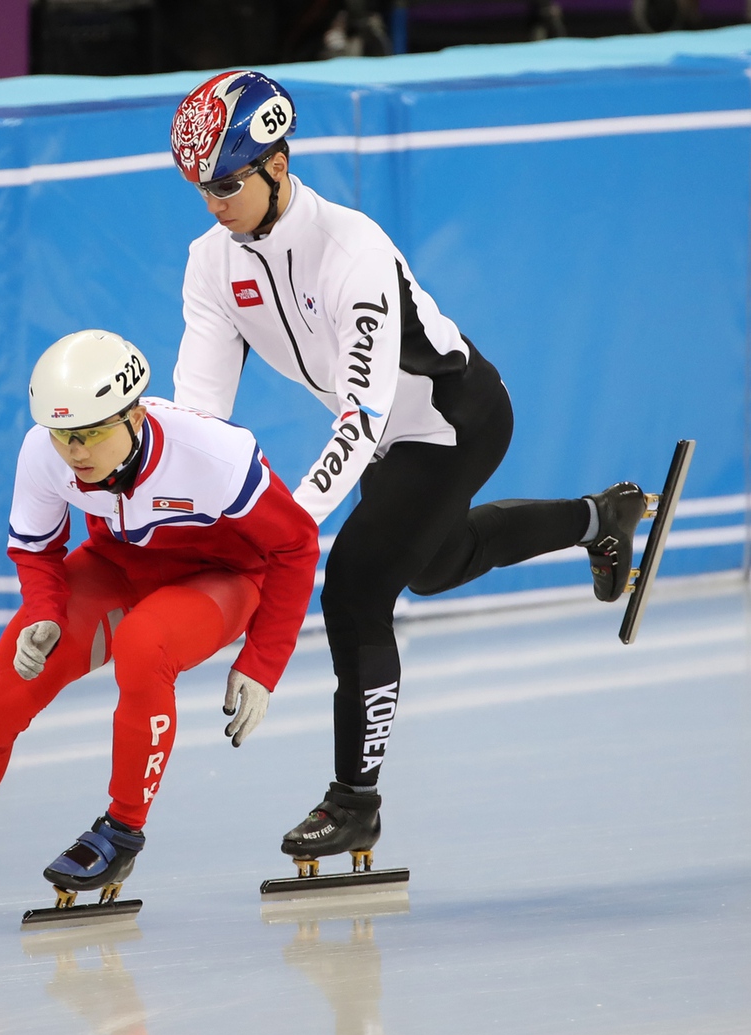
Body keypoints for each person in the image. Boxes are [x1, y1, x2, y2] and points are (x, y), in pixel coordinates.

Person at [169, 71, 647, 869]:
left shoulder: (352, 248)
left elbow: (360, 415)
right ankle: (603, 517)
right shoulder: (210, 264)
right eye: (200, 189)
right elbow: (199, 416)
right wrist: (182, 514)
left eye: (226, 184)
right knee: (436, 563)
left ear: (279, 164)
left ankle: (355, 804)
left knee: (356, 585)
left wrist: (286, 525)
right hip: (391, 438)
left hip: (456, 416)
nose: (214, 204)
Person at [0, 329, 319, 902]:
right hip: (117, 565)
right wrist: (42, 611)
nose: (75, 452)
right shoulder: (42, 451)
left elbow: (295, 546)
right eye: (63, 436)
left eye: (88, 435)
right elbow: (36, 549)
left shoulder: (213, 455)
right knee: (11, 680)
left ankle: (123, 831)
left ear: (132, 416)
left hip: (220, 579)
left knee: (144, 644)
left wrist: (262, 662)